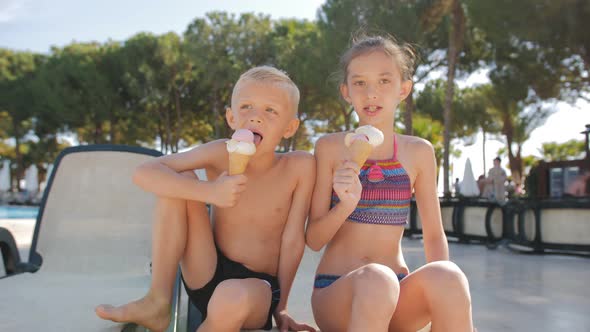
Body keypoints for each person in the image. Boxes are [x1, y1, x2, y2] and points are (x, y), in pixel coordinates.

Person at [95, 66, 316, 332]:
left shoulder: (299, 166)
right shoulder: (219, 152)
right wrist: (209, 193)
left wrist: (281, 309)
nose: (256, 118)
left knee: (230, 297)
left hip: (256, 288)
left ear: (290, 127)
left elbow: (293, 241)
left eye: (270, 111)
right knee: (179, 180)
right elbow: (145, 172)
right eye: (246, 107)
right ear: (231, 118)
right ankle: (158, 300)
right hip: (206, 269)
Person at [306, 35, 475, 331]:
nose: (372, 93)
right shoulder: (330, 149)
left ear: (404, 89)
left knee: (449, 276)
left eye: (384, 81)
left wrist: (442, 291)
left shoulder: (418, 153)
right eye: (360, 83)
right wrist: (345, 205)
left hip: (397, 289)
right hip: (336, 292)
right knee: (376, 279)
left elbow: (434, 236)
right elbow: (314, 238)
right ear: (346, 91)